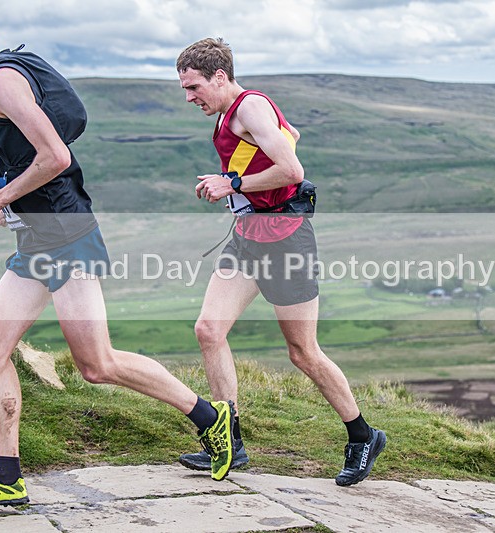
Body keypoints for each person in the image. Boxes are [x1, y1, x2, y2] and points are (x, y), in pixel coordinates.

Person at [0, 0, 235, 514]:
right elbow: (36, 154)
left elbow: (56, 157)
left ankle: (209, 418)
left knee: (97, 364)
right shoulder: (2, 76)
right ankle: (6, 477)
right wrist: (13, 194)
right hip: (45, 233)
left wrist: (1, 196)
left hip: (64, 232)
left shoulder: (1, 81)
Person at [176, 38, 386, 486]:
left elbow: (293, 170)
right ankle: (227, 438)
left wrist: (231, 183)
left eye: (194, 87)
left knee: (303, 353)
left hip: (287, 241)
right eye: (185, 89)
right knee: (208, 330)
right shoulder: (241, 113)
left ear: (219, 76)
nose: (190, 97)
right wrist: (243, 182)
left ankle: (363, 435)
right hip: (249, 237)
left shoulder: (249, 108)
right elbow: (292, 134)